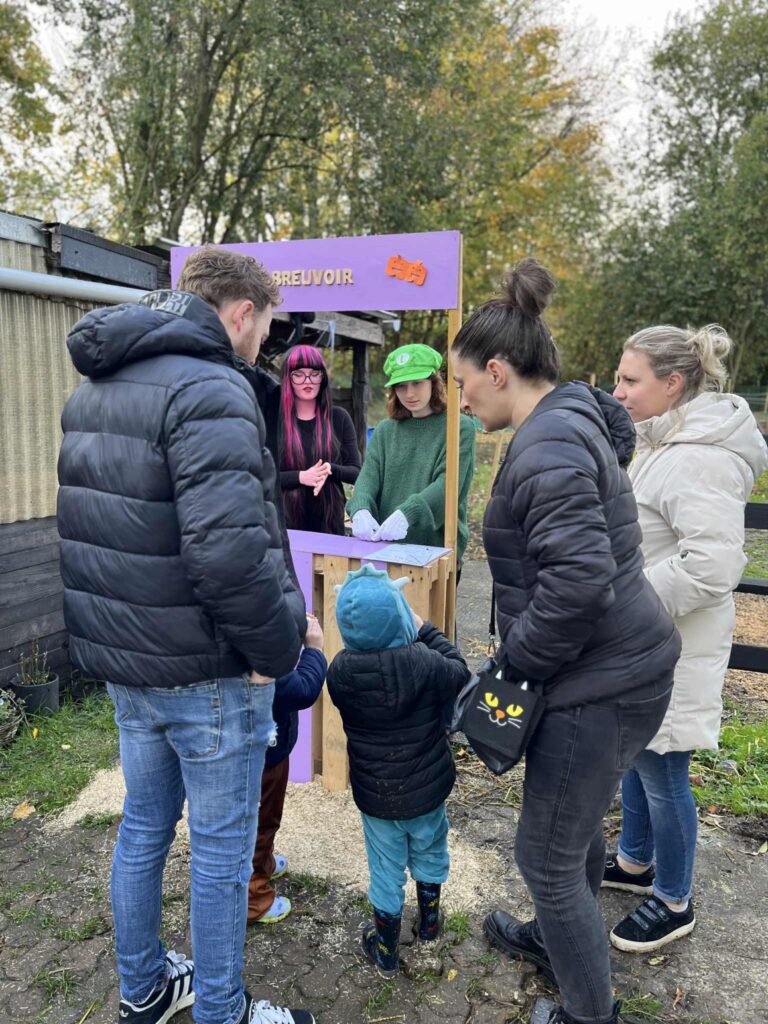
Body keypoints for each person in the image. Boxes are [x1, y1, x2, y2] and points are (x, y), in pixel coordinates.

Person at [57, 246, 315, 1024]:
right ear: (241, 314)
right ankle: (223, 1013)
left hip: (128, 661)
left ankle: (143, 989)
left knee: (142, 827)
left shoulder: (99, 382)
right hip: (207, 669)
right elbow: (231, 552)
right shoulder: (212, 386)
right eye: (264, 331)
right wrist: (279, 651)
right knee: (221, 853)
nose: (261, 346)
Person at [450, 258, 681, 1024]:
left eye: (462, 383)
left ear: (496, 368)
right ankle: (558, 940)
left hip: (598, 686)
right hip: (618, 669)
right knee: (570, 831)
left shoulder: (546, 445)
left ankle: (590, 1014)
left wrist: (514, 664)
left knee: (545, 858)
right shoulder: (567, 423)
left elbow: (578, 585)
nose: (461, 397)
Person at [603, 325, 768, 952]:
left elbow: (712, 566)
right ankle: (634, 862)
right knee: (639, 754)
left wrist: (625, 598)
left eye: (630, 380)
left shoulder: (700, 456)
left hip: (671, 645)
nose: (617, 391)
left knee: (664, 769)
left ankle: (674, 900)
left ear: (673, 384)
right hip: (649, 641)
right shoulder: (668, 441)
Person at [326, 565, 470, 976]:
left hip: (377, 796)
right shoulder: (423, 662)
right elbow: (459, 671)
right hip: (427, 790)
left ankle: (386, 953)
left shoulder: (340, 673)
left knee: (385, 868)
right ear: (398, 614)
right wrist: (426, 630)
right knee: (429, 848)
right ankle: (428, 924)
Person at [347, 343, 475, 564]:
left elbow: (449, 484)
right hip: (385, 548)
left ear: (434, 382)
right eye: (401, 386)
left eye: (417, 383)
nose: (410, 393)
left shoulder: (458, 427)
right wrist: (360, 508)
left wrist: (409, 513)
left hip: (436, 549)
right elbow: (367, 478)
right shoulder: (386, 430)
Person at [248, 614, 327, 925]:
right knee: (261, 821)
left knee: (265, 817)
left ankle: (263, 864)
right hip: (262, 757)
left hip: (267, 752)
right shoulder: (252, 653)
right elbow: (302, 689)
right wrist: (314, 649)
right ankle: (254, 897)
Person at [278, 344, 361, 534]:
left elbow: (356, 471)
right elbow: (263, 474)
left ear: (322, 378)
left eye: (314, 373)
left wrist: (329, 469)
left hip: (329, 525)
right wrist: (301, 477)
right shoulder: (275, 420)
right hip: (285, 527)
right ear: (288, 379)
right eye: (298, 374)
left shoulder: (339, 418)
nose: (307, 380)